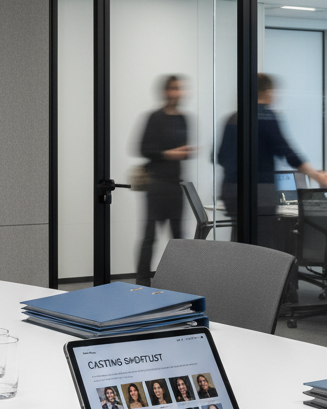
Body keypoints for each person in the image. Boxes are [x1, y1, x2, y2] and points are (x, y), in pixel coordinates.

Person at [217, 74, 327, 247]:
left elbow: (220, 157)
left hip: (231, 190)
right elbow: (287, 152)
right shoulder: (267, 116)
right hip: (259, 192)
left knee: (242, 240)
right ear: (267, 91)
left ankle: (238, 271)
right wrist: (317, 176)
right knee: (266, 243)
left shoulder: (233, 118)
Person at [136, 76, 195, 285]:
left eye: (179, 89)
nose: (177, 93)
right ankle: (142, 282)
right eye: (173, 89)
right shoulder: (154, 118)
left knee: (178, 238)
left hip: (176, 185)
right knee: (149, 236)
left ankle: (180, 281)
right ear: (165, 92)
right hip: (157, 184)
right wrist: (170, 154)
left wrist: (185, 152)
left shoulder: (184, 119)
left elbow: (184, 148)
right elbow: (143, 149)